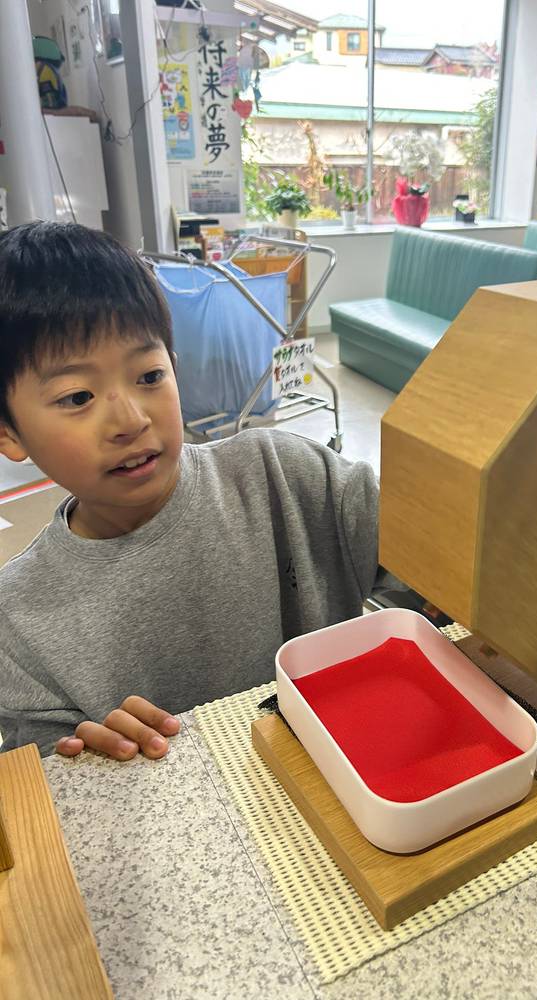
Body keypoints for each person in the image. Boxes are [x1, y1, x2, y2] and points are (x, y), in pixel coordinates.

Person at [0, 222, 379, 759]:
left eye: (149, 377)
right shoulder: (19, 616)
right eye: (78, 396)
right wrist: (85, 752)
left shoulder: (284, 475)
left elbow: (427, 551)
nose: (131, 420)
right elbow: (36, 774)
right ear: (9, 433)